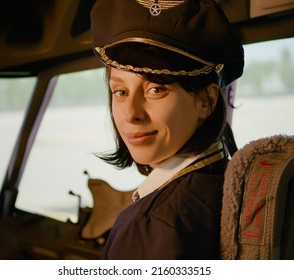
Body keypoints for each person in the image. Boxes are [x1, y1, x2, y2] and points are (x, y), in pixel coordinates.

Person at [90, 0, 244, 259]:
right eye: (120, 91)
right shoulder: (220, 181)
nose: (130, 113)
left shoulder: (154, 223)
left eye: (156, 89)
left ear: (206, 101)